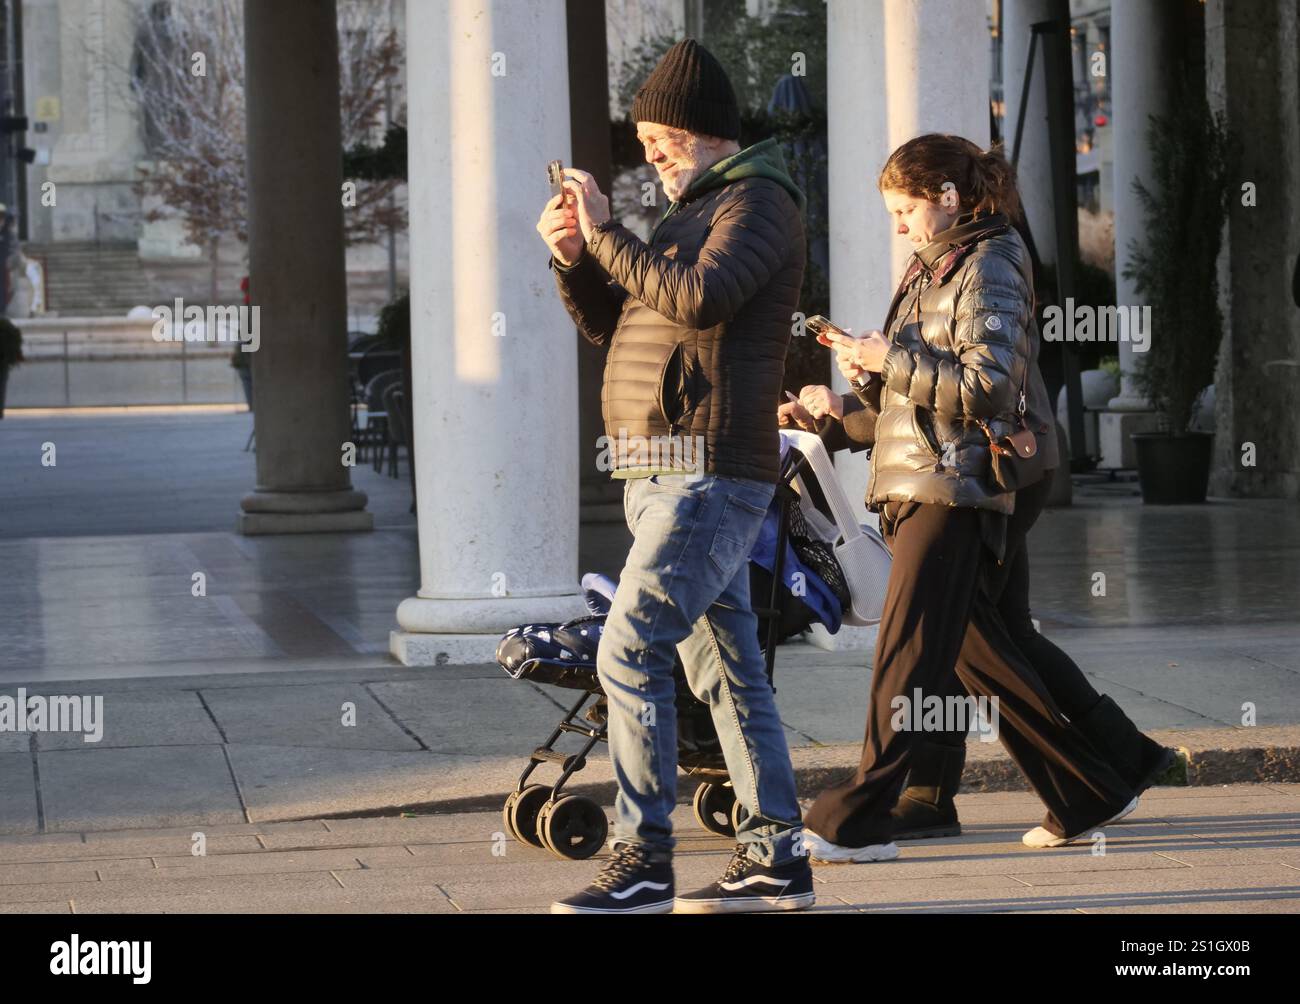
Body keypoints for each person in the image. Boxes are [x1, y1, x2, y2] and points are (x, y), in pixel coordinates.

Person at [791, 134, 1141, 862]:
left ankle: (859, 815)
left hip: (957, 482)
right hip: (933, 476)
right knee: (979, 647)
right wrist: (855, 383)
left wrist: (891, 358)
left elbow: (987, 386)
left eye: (904, 209)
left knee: (909, 650)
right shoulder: (936, 267)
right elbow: (916, 396)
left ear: (947, 197)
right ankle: (1091, 783)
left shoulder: (991, 262)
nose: (898, 226)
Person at [536, 38, 813, 914]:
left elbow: (699, 300)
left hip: (706, 471)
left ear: (706, 132)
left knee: (630, 648)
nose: (651, 151)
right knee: (728, 672)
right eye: (646, 137)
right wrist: (577, 257)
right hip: (658, 468)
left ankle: (643, 856)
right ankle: (776, 856)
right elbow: (623, 324)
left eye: (663, 136)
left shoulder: (758, 202)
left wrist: (611, 231)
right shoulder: (693, 210)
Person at [783, 388, 1177, 843]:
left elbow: (974, 387)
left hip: (967, 474)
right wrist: (842, 410)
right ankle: (1112, 762)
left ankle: (1082, 785)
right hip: (967, 470)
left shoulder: (986, 313)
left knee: (964, 636)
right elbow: (919, 390)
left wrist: (877, 366)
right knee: (993, 634)